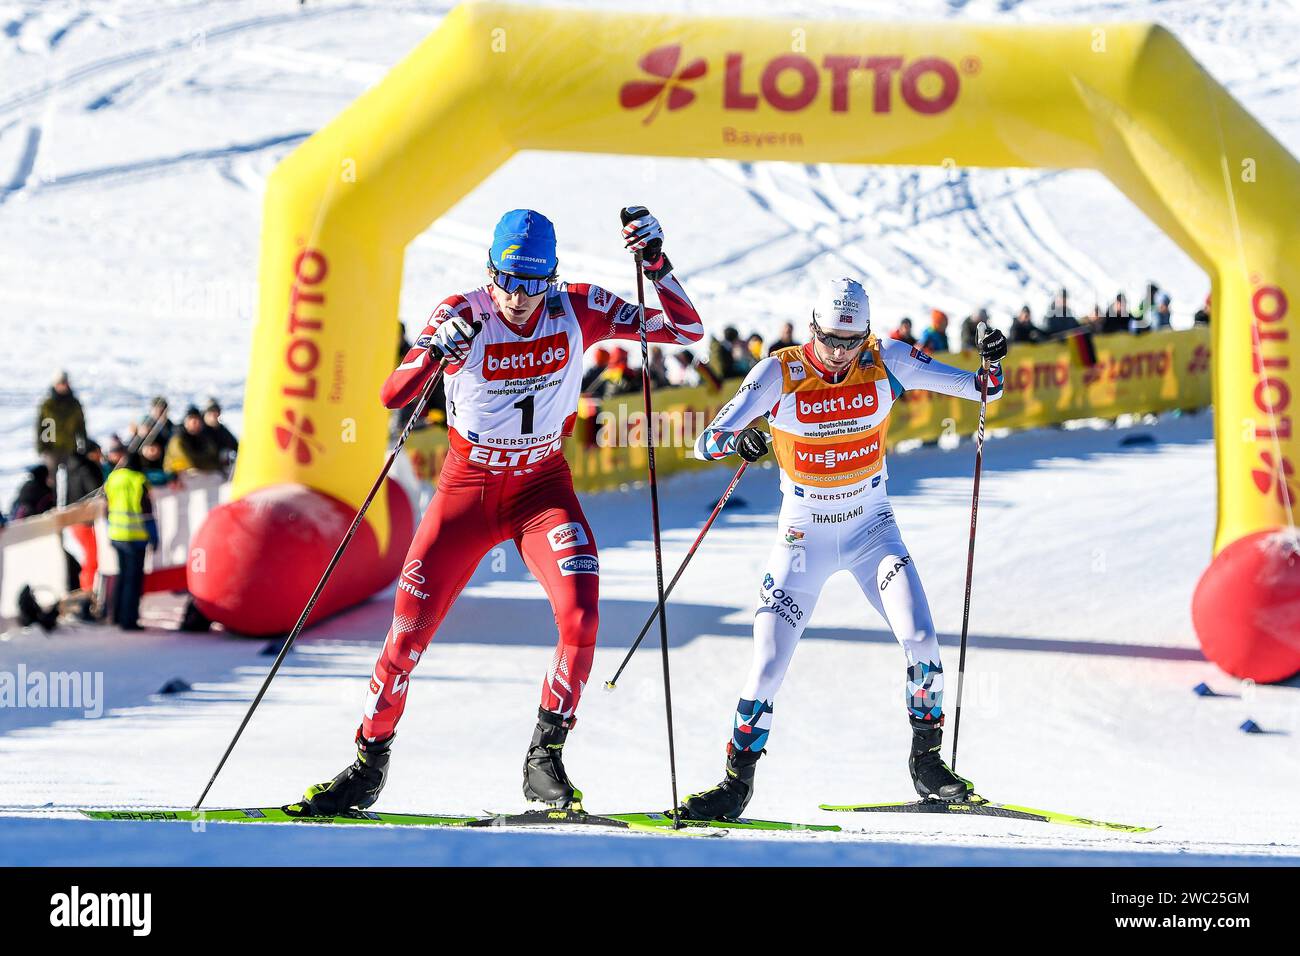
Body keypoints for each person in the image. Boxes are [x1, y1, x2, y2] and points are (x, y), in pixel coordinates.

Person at [301, 206, 703, 815]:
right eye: (508, 282)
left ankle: (545, 758)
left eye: (533, 284)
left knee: (581, 616)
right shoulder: (462, 313)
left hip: (542, 488)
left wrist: (656, 262)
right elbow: (391, 395)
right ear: (491, 272)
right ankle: (368, 761)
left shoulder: (577, 307)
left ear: (553, 277)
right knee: (406, 636)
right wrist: (434, 351)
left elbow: (686, 332)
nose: (519, 299)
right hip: (470, 491)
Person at [677, 277, 1007, 821]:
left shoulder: (888, 360)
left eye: (850, 342)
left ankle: (928, 764)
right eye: (828, 339)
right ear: (812, 328)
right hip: (802, 535)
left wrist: (991, 365)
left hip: (871, 529)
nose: (837, 353)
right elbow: (705, 441)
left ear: (867, 336)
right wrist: (743, 440)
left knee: (922, 637)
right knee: (765, 665)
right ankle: (735, 785)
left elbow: (982, 390)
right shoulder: (778, 372)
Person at [104, 451, 158, 631]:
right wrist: (154, 536)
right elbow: (147, 513)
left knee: (122, 575)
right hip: (135, 537)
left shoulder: (113, 478)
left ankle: (116, 615)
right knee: (133, 580)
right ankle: (129, 619)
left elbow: (106, 506)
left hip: (116, 534)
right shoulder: (138, 481)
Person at [65, 441, 106, 593]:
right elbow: (96, 492)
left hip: (75, 519)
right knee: (92, 557)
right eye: (98, 452)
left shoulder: (72, 468)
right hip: (86, 520)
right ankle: (89, 591)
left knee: (89, 556)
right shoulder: (88, 468)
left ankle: (89, 589)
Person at [35, 371, 87, 473]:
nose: (64, 385)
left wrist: (84, 442)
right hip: (51, 448)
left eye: (66, 382)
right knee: (51, 480)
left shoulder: (74, 403)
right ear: (55, 384)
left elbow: (81, 425)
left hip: (70, 447)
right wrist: (41, 447)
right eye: (61, 382)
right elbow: (41, 427)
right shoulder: (47, 404)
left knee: (73, 478)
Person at [165, 406, 223, 473]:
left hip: (199, 474)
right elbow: (190, 462)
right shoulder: (177, 438)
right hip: (177, 476)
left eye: (197, 420)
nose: (195, 423)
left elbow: (213, 456)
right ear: (185, 422)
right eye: (191, 419)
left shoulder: (204, 437)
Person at [203, 399, 239, 471]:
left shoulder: (222, 430)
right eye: (211, 412)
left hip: (219, 468)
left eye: (216, 412)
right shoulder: (199, 430)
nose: (213, 415)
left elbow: (236, 446)